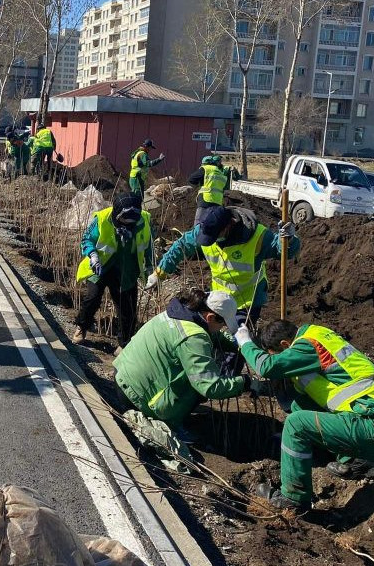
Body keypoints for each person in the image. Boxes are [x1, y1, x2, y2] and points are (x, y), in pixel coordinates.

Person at [235, 320, 374, 513]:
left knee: (296, 424)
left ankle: (293, 499)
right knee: (300, 407)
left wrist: (245, 342)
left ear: (286, 345)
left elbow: (267, 367)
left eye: (278, 354)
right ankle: (358, 461)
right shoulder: (318, 335)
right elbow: (300, 398)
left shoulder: (307, 344)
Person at [113, 289, 259, 429]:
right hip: (135, 397)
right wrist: (245, 382)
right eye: (223, 324)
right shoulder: (194, 337)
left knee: (196, 370)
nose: (223, 328)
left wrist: (242, 344)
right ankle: (171, 423)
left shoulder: (181, 312)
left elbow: (214, 335)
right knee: (198, 383)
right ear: (210, 317)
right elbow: (210, 387)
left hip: (122, 376)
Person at [146, 205, 300, 326]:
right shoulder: (207, 230)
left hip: (246, 302)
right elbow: (181, 246)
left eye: (215, 237)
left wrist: (289, 240)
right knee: (209, 335)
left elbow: (284, 252)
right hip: (218, 297)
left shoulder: (258, 236)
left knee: (237, 346)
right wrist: (159, 273)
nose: (211, 241)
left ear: (229, 225)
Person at [72, 193, 154, 353]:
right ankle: (82, 326)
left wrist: (151, 269)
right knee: (92, 298)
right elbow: (87, 239)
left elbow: (148, 245)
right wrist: (93, 255)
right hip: (101, 266)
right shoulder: (102, 219)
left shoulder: (144, 221)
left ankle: (123, 344)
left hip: (126, 269)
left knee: (127, 308)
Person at [187, 154, 240, 224]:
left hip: (205, 199)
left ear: (204, 164)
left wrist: (199, 183)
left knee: (199, 223)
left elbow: (191, 179)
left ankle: (197, 234)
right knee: (212, 223)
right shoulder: (220, 173)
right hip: (218, 201)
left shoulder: (206, 168)